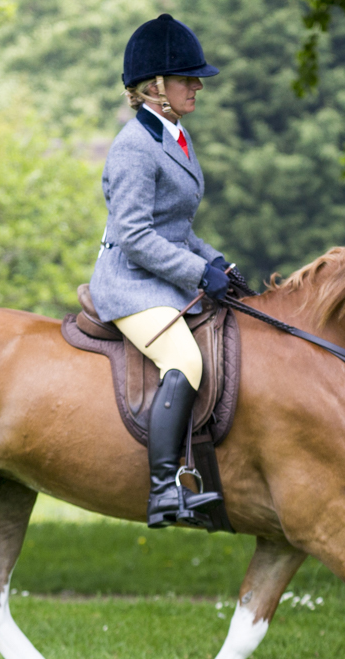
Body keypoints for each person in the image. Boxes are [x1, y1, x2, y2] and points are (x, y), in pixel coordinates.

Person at [88, 13, 233, 529]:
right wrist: (197, 273)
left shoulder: (174, 136)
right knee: (185, 359)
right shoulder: (133, 146)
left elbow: (175, 226)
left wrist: (215, 262)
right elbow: (135, 236)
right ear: (155, 87)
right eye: (186, 78)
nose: (197, 85)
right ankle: (163, 492)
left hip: (160, 273)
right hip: (130, 281)